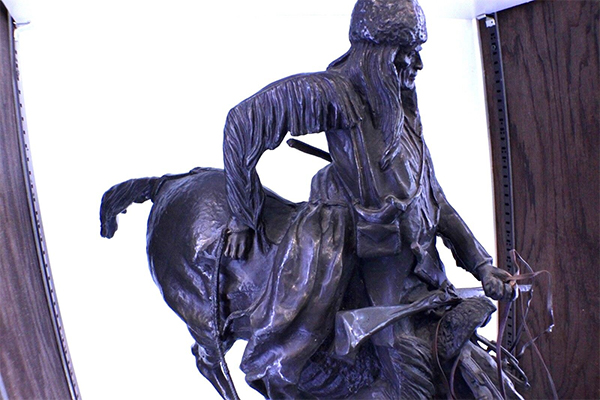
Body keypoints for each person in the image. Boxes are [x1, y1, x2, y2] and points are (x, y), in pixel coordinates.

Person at [222, 0, 515, 398]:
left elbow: (437, 202)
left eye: (418, 52)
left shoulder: (402, 115)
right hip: (377, 287)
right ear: (378, 55)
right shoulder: (331, 94)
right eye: (406, 53)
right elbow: (241, 125)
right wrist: (243, 215)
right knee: (413, 386)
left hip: (427, 280)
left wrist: (482, 266)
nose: (418, 65)